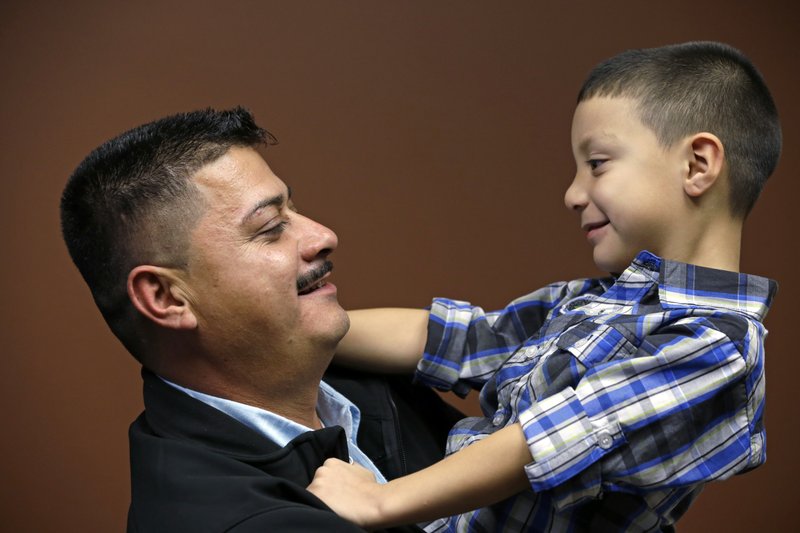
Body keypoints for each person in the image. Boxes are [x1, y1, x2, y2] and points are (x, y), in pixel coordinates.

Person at [307, 41, 781, 532]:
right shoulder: (590, 300)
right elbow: (455, 339)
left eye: (596, 163)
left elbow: (554, 437)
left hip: (421, 508)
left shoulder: (719, 347)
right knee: (328, 375)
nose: (573, 194)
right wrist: (296, 329)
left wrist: (381, 501)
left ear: (697, 165)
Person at [59, 108, 464, 532]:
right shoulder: (226, 519)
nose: (323, 235)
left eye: (295, 208)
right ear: (167, 297)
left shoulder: (350, 372)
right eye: (271, 226)